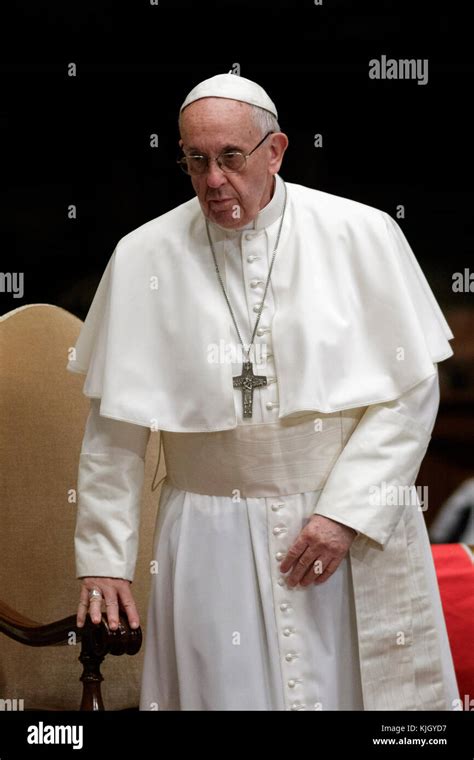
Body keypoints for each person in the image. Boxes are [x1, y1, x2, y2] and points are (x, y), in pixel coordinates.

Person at [69, 72, 459, 711]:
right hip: (206, 532)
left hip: (339, 527)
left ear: (275, 150)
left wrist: (344, 514)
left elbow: (410, 391)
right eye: (196, 161)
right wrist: (103, 558)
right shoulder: (142, 257)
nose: (213, 180)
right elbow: (113, 433)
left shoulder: (361, 235)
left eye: (230, 158)